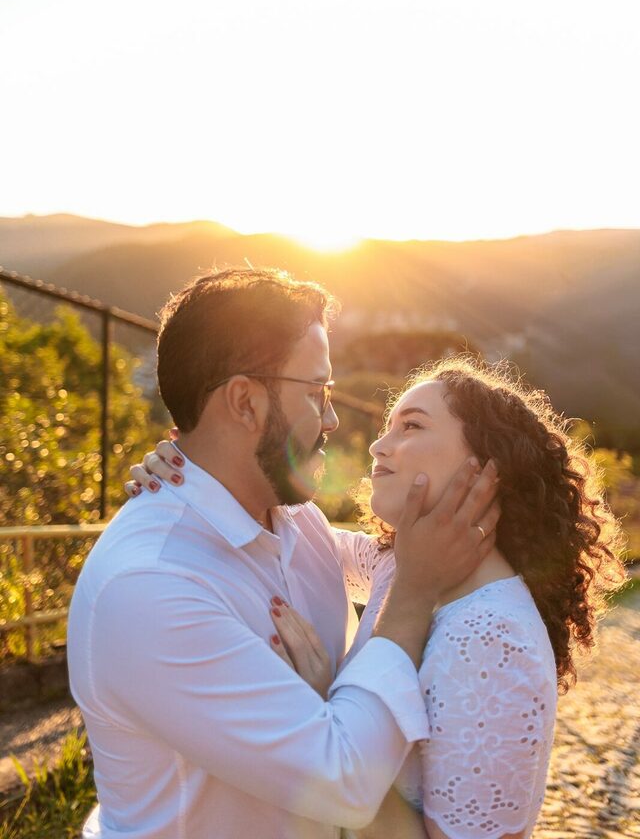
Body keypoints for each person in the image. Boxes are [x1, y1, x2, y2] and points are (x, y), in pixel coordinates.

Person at [67, 267, 500, 839]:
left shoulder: (299, 522)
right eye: (317, 391)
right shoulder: (149, 584)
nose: (333, 417)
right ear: (245, 402)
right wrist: (413, 595)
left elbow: (406, 559)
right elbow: (344, 782)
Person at [132, 355, 628, 839]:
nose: (377, 447)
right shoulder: (400, 566)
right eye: (387, 428)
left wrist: (324, 709)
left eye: (411, 426)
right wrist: (198, 471)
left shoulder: (493, 638)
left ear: (485, 466)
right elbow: (298, 538)